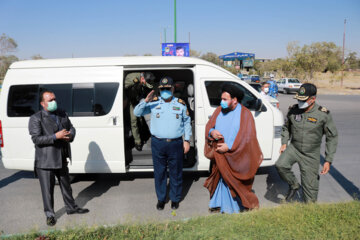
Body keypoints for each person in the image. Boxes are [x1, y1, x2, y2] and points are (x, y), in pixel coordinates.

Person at [28, 90, 89, 227]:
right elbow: (37, 139)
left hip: (61, 156)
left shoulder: (61, 113)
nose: (53, 102)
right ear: (43, 104)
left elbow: (71, 127)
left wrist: (70, 135)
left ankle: (71, 207)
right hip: (46, 161)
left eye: (54, 99)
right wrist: (56, 136)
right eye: (50, 100)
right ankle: (50, 215)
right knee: (47, 191)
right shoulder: (36, 118)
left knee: (66, 186)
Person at [134, 76, 192, 210]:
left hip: (176, 143)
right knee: (159, 173)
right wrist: (145, 101)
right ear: (159, 90)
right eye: (162, 89)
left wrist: (187, 140)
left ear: (172, 89)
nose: (165, 91)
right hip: (158, 143)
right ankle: (161, 199)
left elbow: (187, 122)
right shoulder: (153, 103)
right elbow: (137, 113)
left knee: (175, 173)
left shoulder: (180, 104)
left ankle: (175, 199)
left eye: (167, 88)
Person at [204, 83, 263, 213]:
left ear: (234, 100)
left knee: (233, 181)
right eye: (221, 99)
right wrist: (212, 133)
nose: (222, 102)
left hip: (235, 156)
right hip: (219, 155)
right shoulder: (219, 110)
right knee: (221, 179)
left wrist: (230, 147)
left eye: (225, 99)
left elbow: (248, 138)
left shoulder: (245, 114)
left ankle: (234, 207)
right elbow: (209, 126)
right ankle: (218, 204)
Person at [275, 83, 338, 203]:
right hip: (294, 148)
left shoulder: (322, 114)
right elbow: (286, 128)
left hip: (311, 154)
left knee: (310, 193)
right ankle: (294, 185)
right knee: (280, 165)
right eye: (298, 98)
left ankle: (309, 210)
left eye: (303, 100)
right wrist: (284, 143)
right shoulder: (293, 110)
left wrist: (328, 160)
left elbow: (332, 137)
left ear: (313, 99)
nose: (299, 101)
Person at [124, 72, 155, 151]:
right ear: (142, 78)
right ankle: (137, 142)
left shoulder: (142, 80)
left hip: (136, 99)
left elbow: (145, 87)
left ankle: (143, 135)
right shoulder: (132, 78)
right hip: (129, 100)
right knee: (134, 120)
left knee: (141, 119)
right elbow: (122, 88)